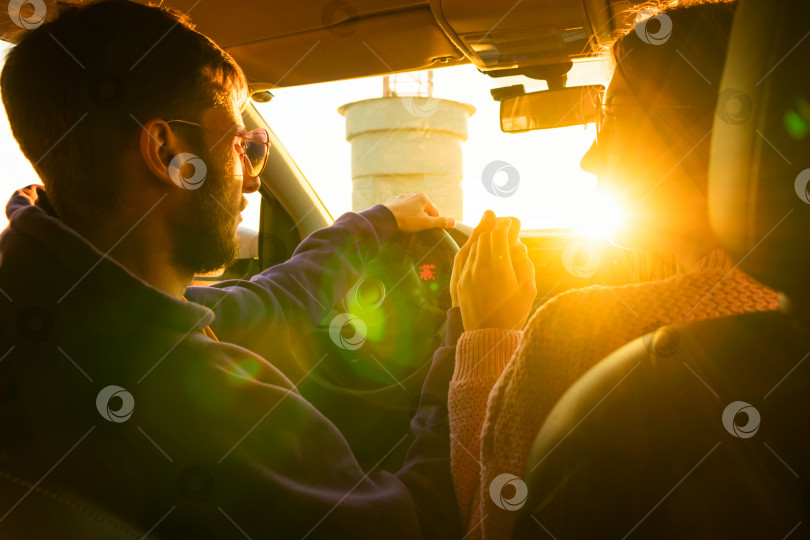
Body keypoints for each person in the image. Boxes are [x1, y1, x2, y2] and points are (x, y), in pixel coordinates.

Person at [0, 1, 466, 538]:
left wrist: (374, 222)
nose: (250, 179)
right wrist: (474, 340)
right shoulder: (192, 405)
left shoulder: (63, 304)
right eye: (243, 146)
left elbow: (265, 305)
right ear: (167, 153)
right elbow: (422, 524)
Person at [445, 1, 781, 538]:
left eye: (617, 116)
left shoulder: (579, 331)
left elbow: (490, 526)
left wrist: (486, 334)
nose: (589, 158)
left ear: (722, 137)